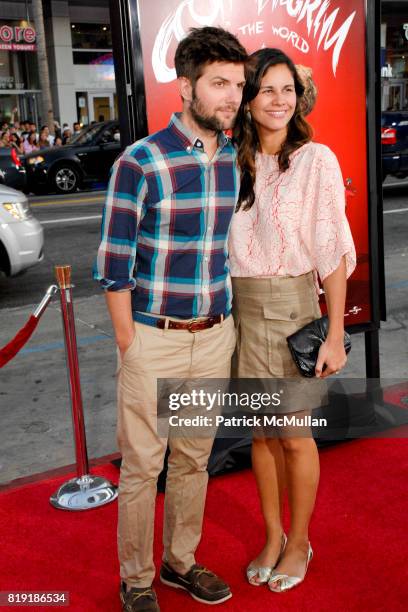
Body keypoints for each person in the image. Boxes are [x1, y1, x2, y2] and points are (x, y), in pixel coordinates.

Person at [94, 26, 247, 612]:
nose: (231, 96)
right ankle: (135, 580)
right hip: (152, 338)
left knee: (193, 460)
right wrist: (129, 343)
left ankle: (180, 562)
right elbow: (113, 262)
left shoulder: (235, 156)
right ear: (185, 86)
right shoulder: (141, 162)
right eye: (218, 83)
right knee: (142, 466)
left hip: (213, 338)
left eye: (236, 84)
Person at [229, 48, 356, 593]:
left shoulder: (316, 159)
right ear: (248, 98)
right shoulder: (230, 159)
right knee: (261, 435)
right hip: (239, 312)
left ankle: (301, 540)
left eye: (288, 89)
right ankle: (273, 535)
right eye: (267, 90)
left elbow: (330, 249)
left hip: (293, 309)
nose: (279, 100)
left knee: (296, 435)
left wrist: (334, 333)